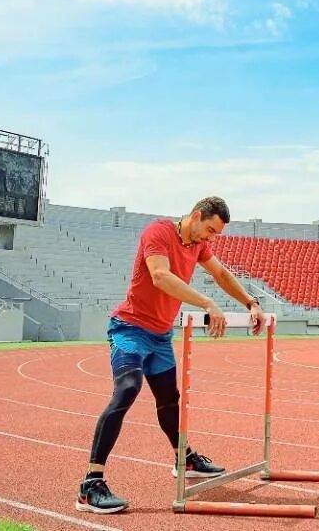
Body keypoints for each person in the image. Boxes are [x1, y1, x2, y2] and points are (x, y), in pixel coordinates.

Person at [76, 196, 265, 515]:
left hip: (161, 337)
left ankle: (185, 459)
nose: (210, 238)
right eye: (209, 229)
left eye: (216, 234)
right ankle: (90, 484)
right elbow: (160, 276)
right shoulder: (158, 232)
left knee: (169, 400)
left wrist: (251, 302)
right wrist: (207, 303)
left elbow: (221, 275)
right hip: (131, 329)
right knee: (128, 389)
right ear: (195, 216)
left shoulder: (198, 245)